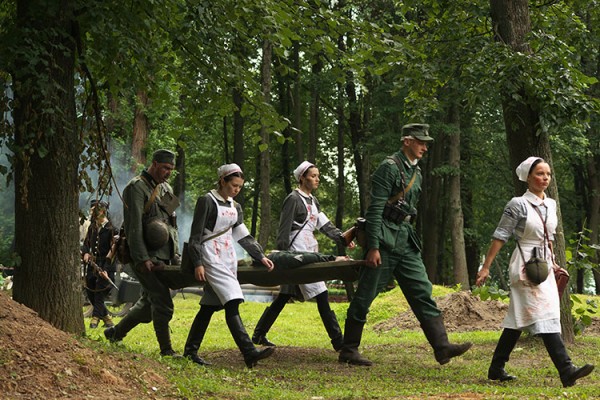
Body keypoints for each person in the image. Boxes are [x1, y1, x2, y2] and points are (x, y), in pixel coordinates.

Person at [338, 123, 472, 366]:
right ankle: (348, 349)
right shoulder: (388, 168)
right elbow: (376, 209)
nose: (424, 147)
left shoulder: (416, 173)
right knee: (366, 294)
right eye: (420, 142)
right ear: (406, 141)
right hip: (384, 240)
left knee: (422, 290)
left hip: (406, 239)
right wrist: (374, 246)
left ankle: (441, 347)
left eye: (426, 143)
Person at [475, 156, 594, 387]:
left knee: (518, 319)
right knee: (544, 315)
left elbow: (548, 237)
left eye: (547, 174)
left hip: (545, 266)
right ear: (528, 177)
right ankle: (566, 369)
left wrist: (554, 261)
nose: (545, 178)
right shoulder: (517, 204)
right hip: (524, 265)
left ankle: (496, 367)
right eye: (539, 174)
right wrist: (486, 266)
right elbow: (501, 235)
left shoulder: (551, 204)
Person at [251, 161, 354, 352]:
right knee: (322, 294)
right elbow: (283, 230)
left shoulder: (314, 201)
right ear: (302, 178)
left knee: (284, 295)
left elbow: (325, 225)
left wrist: (343, 239)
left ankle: (258, 334)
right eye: (313, 176)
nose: (317, 179)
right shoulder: (292, 199)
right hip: (295, 252)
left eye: (318, 176)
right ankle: (338, 342)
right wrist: (282, 256)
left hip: (310, 248)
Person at [183, 163, 276, 368]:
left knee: (208, 307)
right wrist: (198, 263)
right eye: (233, 185)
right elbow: (195, 236)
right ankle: (249, 351)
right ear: (222, 181)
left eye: (240, 187)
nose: (236, 190)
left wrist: (260, 256)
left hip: (227, 256)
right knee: (232, 301)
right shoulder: (206, 201)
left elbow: (242, 236)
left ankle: (190, 351)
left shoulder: (236, 207)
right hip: (210, 256)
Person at [104, 149, 182, 357]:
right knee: (163, 302)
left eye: (171, 169)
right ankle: (167, 350)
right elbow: (133, 226)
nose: (168, 173)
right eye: (165, 168)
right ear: (154, 164)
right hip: (146, 256)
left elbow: (172, 224)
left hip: (164, 255)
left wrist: (176, 253)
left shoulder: (165, 188)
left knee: (148, 306)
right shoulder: (136, 187)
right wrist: (142, 258)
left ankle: (114, 333)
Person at [81, 200, 118, 329]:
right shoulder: (92, 227)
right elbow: (86, 244)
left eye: (94, 210)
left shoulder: (112, 229)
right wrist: (85, 253)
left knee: (99, 291)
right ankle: (107, 318)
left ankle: (95, 318)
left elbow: (113, 252)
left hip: (106, 265)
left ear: (102, 211)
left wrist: (106, 269)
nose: (92, 213)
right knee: (90, 289)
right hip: (93, 264)